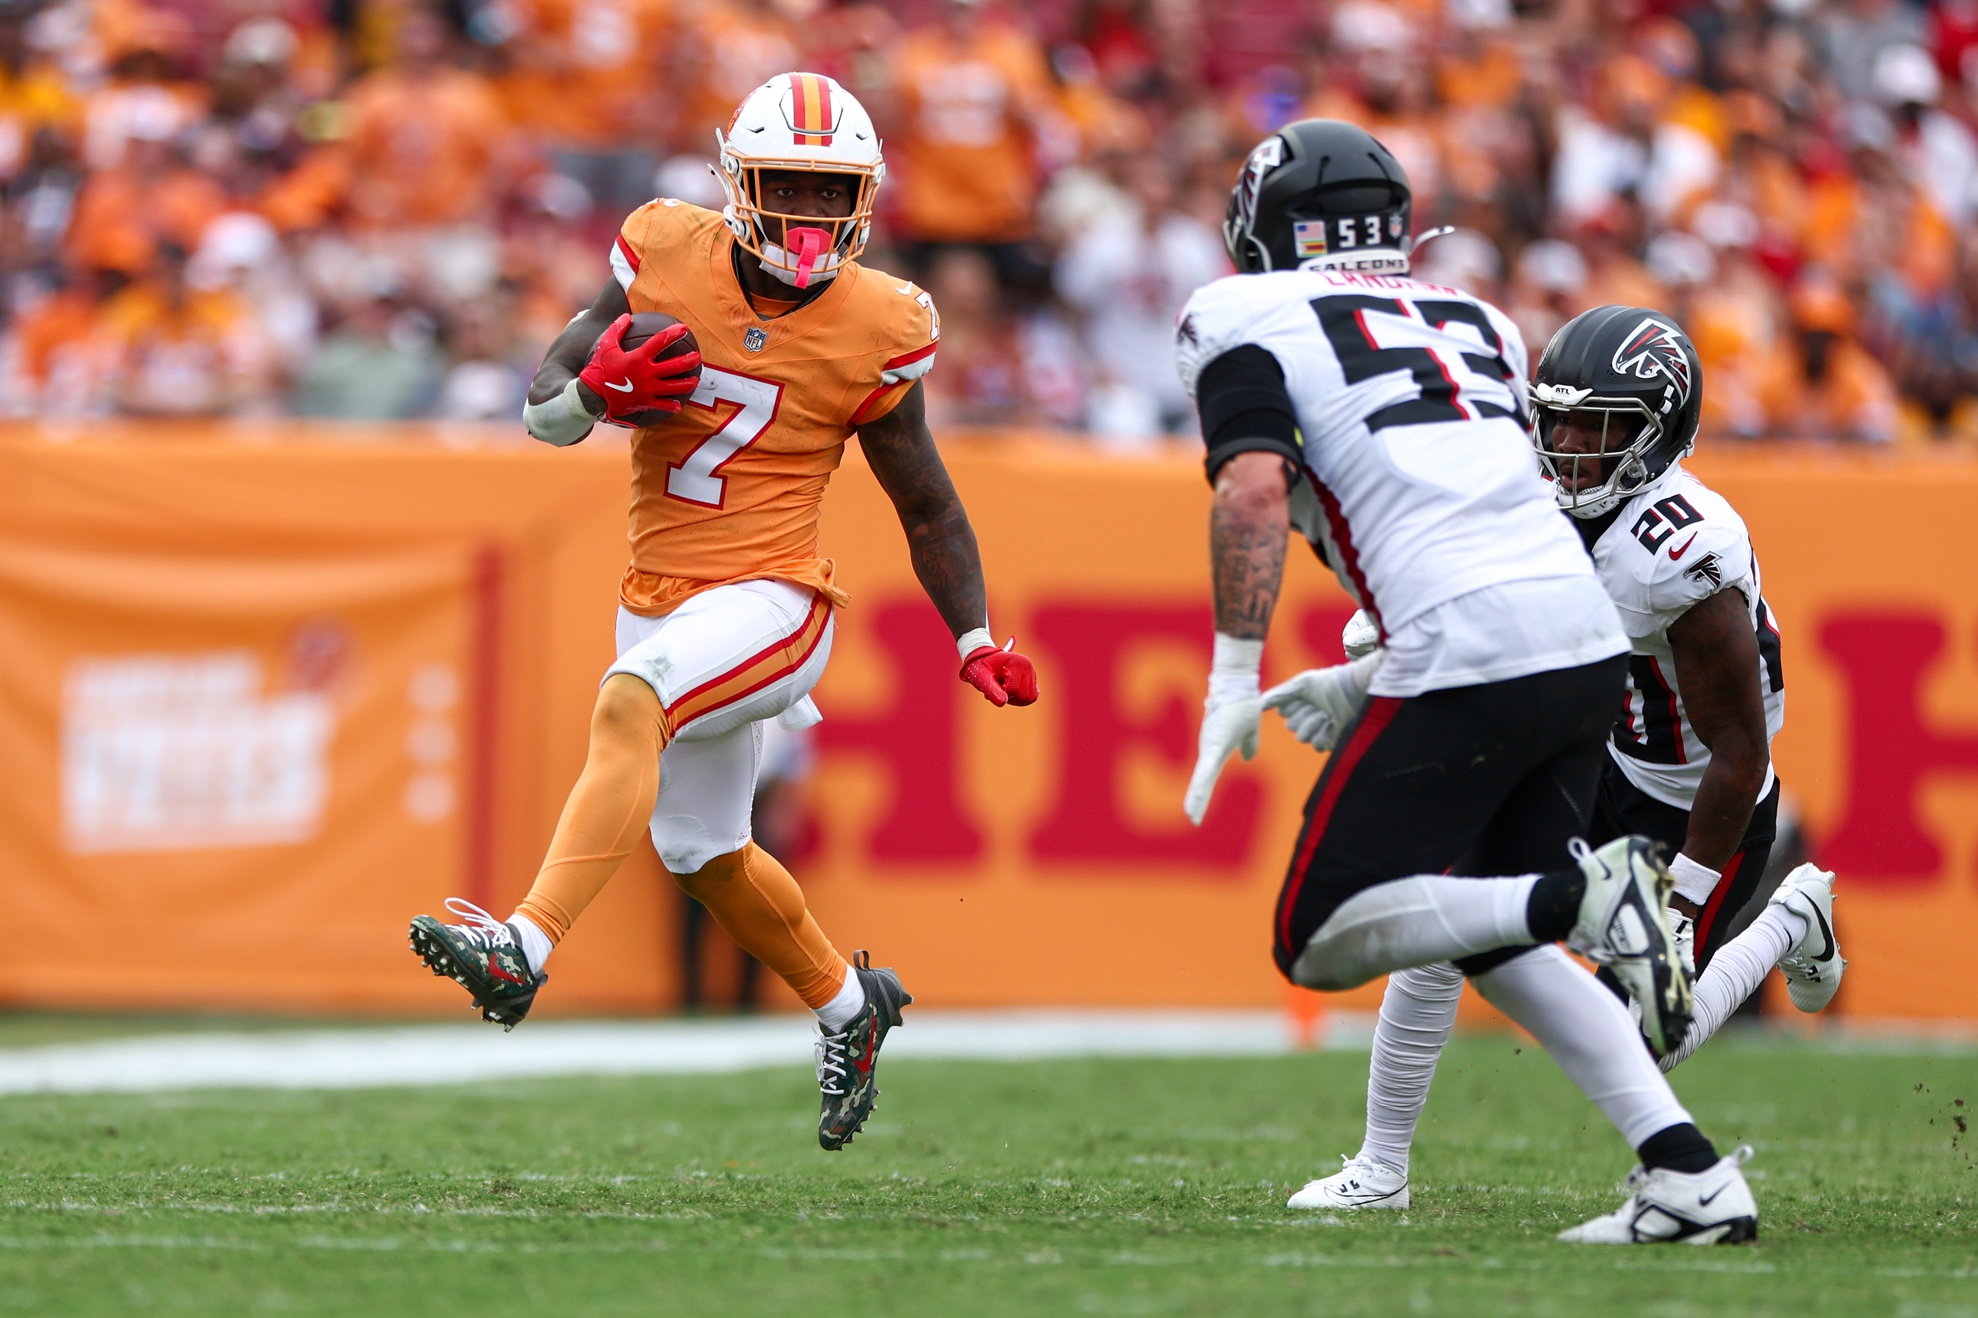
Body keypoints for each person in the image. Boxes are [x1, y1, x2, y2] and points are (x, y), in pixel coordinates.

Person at [409, 73, 1039, 1152]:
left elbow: (923, 496)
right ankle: (852, 1005)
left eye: (825, 189)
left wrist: (972, 634)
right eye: (786, 185)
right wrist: (596, 393)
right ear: (739, 182)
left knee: (631, 699)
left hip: (778, 595)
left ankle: (522, 945)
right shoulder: (664, 248)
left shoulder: (882, 320)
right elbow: (544, 412)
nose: (804, 212)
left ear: (865, 198)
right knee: (701, 850)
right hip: (661, 592)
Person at [1177, 119, 1756, 1245]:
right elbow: (1466, 514)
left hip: (1468, 644)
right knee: (1486, 934)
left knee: (1318, 931)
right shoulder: (1476, 320)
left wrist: (1230, 675)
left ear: (1261, 228)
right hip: (1579, 644)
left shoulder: (1237, 313)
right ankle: (1686, 1174)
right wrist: (1372, 678)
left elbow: (1252, 488)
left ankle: (1587, 899)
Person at [1282, 308, 1846, 1214]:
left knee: (1645, 1035)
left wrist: (1683, 907)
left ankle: (1789, 916)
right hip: (1598, 761)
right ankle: (1380, 1171)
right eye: (1563, 419)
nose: (1574, 444)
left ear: (1659, 434)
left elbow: (1740, 753)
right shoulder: (1536, 498)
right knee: (1447, 923)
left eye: (1604, 425)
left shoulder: (1680, 553)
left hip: (1699, 799)